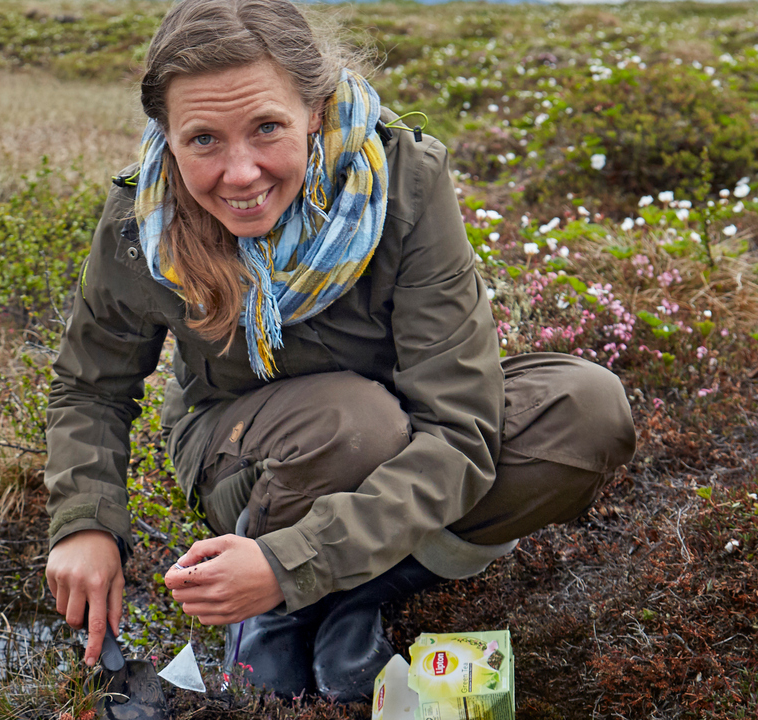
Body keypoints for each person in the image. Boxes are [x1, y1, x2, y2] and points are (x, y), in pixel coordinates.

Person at [44, 0, 636, 701]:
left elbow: (459, 429)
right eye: (203, 139)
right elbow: (92, 387)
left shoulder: (404, 182)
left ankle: (355, 591)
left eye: (267, 128)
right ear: (166, 136)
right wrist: (85, 523)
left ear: (316, 112)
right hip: (251, 461)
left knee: (587, 411)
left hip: (411, 435)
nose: (240, 174)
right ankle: (284, 605)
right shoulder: (142, 221)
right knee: (354, 423)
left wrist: (289, 564)